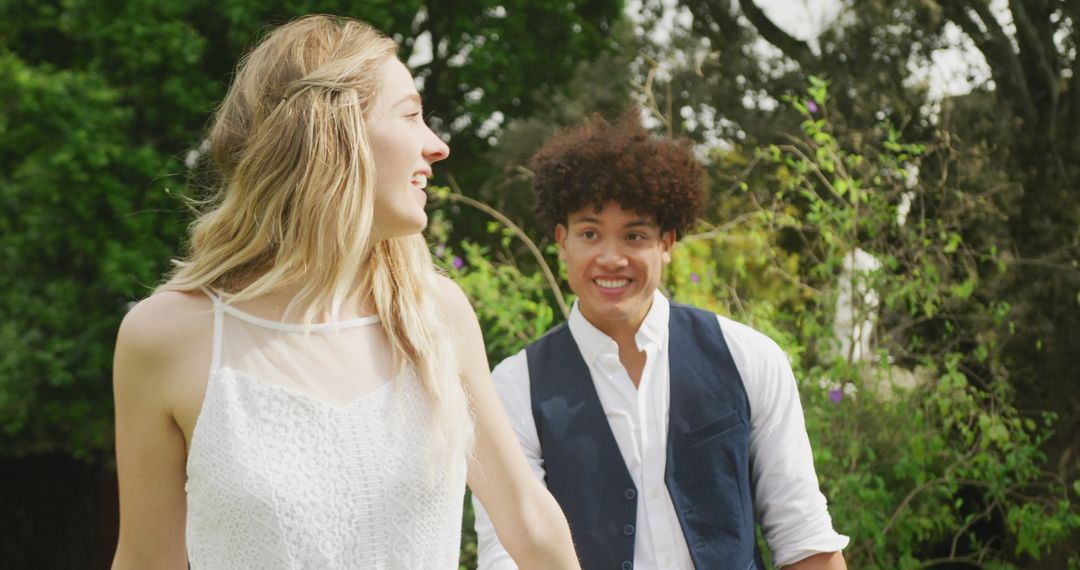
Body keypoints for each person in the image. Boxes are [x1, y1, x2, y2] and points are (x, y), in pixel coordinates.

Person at [110, 15, 579, 569]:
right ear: (332, 134)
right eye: (410, 116)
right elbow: (146, 561)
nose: (438, 146)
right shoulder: (163, 338)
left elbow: (529, 522)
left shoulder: (437, 316)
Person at [473, 111, 850, 569]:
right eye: (590, 233)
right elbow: (507, 558)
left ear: (666, 243)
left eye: (635, 235)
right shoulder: (513, 388)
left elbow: (805, 538)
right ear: (562, 240)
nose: (611, 258)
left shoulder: (748, 357)